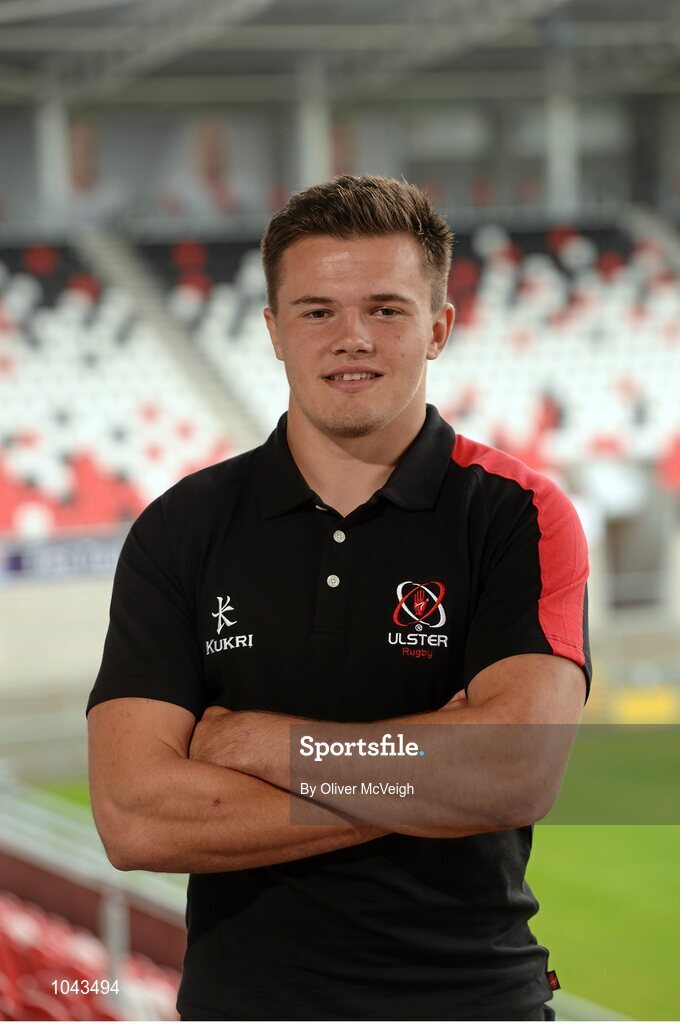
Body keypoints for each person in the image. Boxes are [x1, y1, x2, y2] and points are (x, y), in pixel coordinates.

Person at [87, 175, 591, 1021]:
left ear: (438, 329)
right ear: (274, 331)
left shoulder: (518, 513)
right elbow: (135, 819)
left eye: (387, 310)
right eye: (317, 311)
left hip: (472, 1003)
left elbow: (515, 769)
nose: (351, 338)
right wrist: (432, 775)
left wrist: (259, 743)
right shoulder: (181, 528)